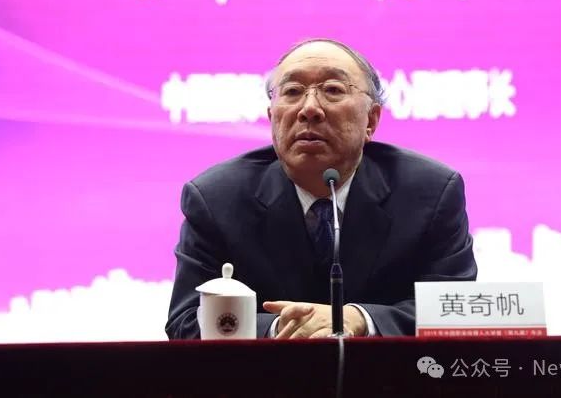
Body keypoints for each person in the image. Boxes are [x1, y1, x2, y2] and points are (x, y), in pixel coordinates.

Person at [166, 38, 477, 339]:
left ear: (371, 120)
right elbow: (186, 322)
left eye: (332, 90)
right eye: (292, 91)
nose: (310, 108)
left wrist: (360, 319)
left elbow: (456, 310)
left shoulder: (430, 192)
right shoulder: (217, 198)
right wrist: (282, 328)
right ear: (272, 117)